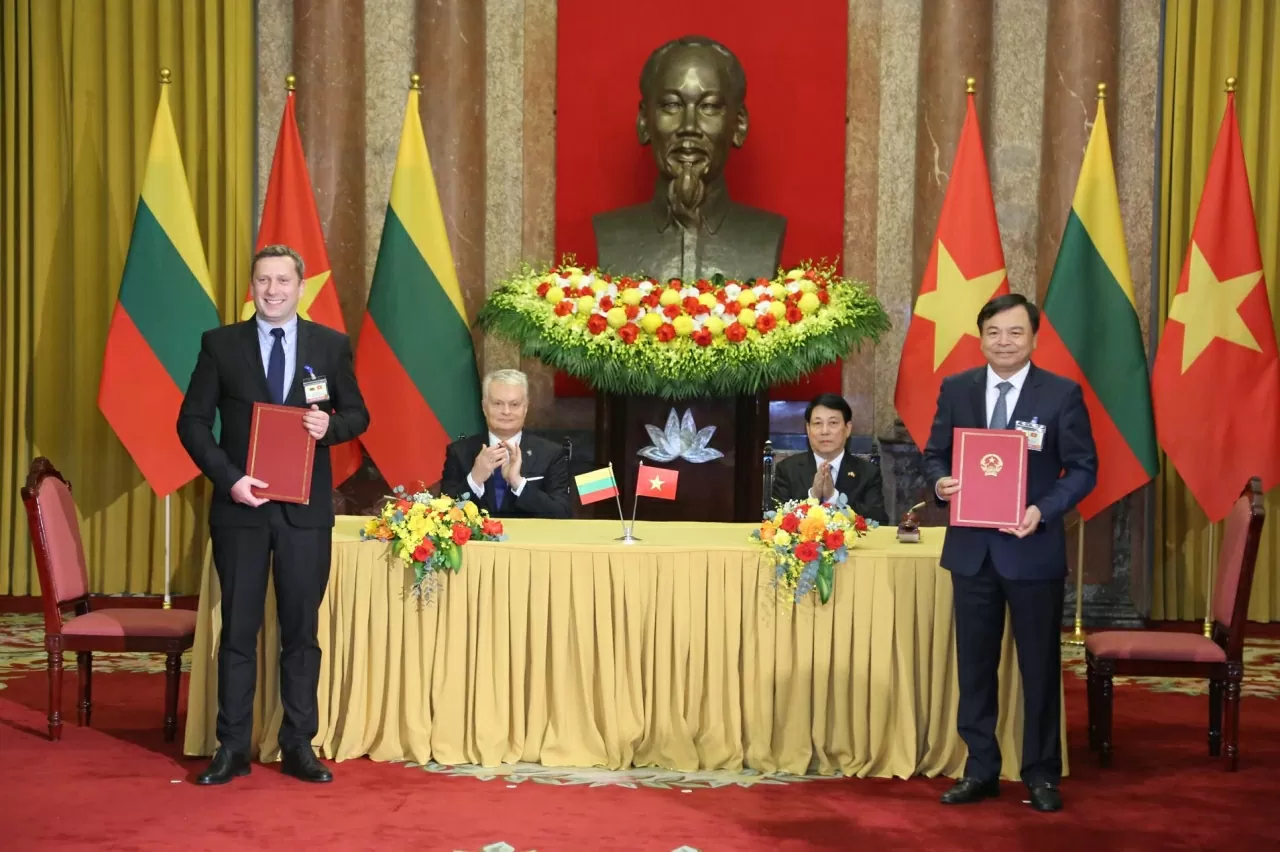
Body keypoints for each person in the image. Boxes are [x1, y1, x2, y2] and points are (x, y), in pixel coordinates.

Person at [177, 244, 369, 786]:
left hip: (305, 514)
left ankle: (299, 744)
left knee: (301, 633)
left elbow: (358, 414)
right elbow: (192, 422)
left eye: (283, 281)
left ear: (300, 287)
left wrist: (329, 428)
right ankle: (232, 747)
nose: (273, 290)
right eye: (263, 280)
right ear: (252, 286)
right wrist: (230, 480)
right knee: (238, 631)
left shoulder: (330, 345)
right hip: (241, 511)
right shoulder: (220, 344)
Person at [923, 293, 1097, 813]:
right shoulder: (957, 388)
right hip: (971, 553)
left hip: (1032, 550)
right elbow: (933, 455)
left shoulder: (1061, 394)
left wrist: (1043, 509)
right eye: (994, 332)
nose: (1004, 342)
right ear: (981, 338)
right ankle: (980, 770)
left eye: (1015, 332)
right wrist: (941, 483)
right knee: (975, 668)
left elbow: (1083, 469)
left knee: (1039, 668)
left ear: (1034, 338)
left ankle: (1041, 774)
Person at [592, 34, 786, 282]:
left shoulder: (765, 236)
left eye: (709, 106)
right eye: (671, 105)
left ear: (739, 124)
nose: (689, 127)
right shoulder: (612, 234)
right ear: (644, 122)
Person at [438, 369, 571, 519]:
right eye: (498, 403)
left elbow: (562, 514)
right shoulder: (459, 452)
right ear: (484, 407)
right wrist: (474, 479)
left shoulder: (551, 453)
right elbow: (443, 514)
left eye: (514, 404)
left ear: (525, 408)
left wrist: (518, 483)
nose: (506, 411)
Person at [770, 393, 888, 524]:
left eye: (833, 423)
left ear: (847, 428)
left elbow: (878, 521)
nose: (825, 431)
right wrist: (813, 496)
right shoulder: (788, 470)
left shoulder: (868, 473)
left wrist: (833, 498)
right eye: (817, 423)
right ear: (808, 429)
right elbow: (775, 520)